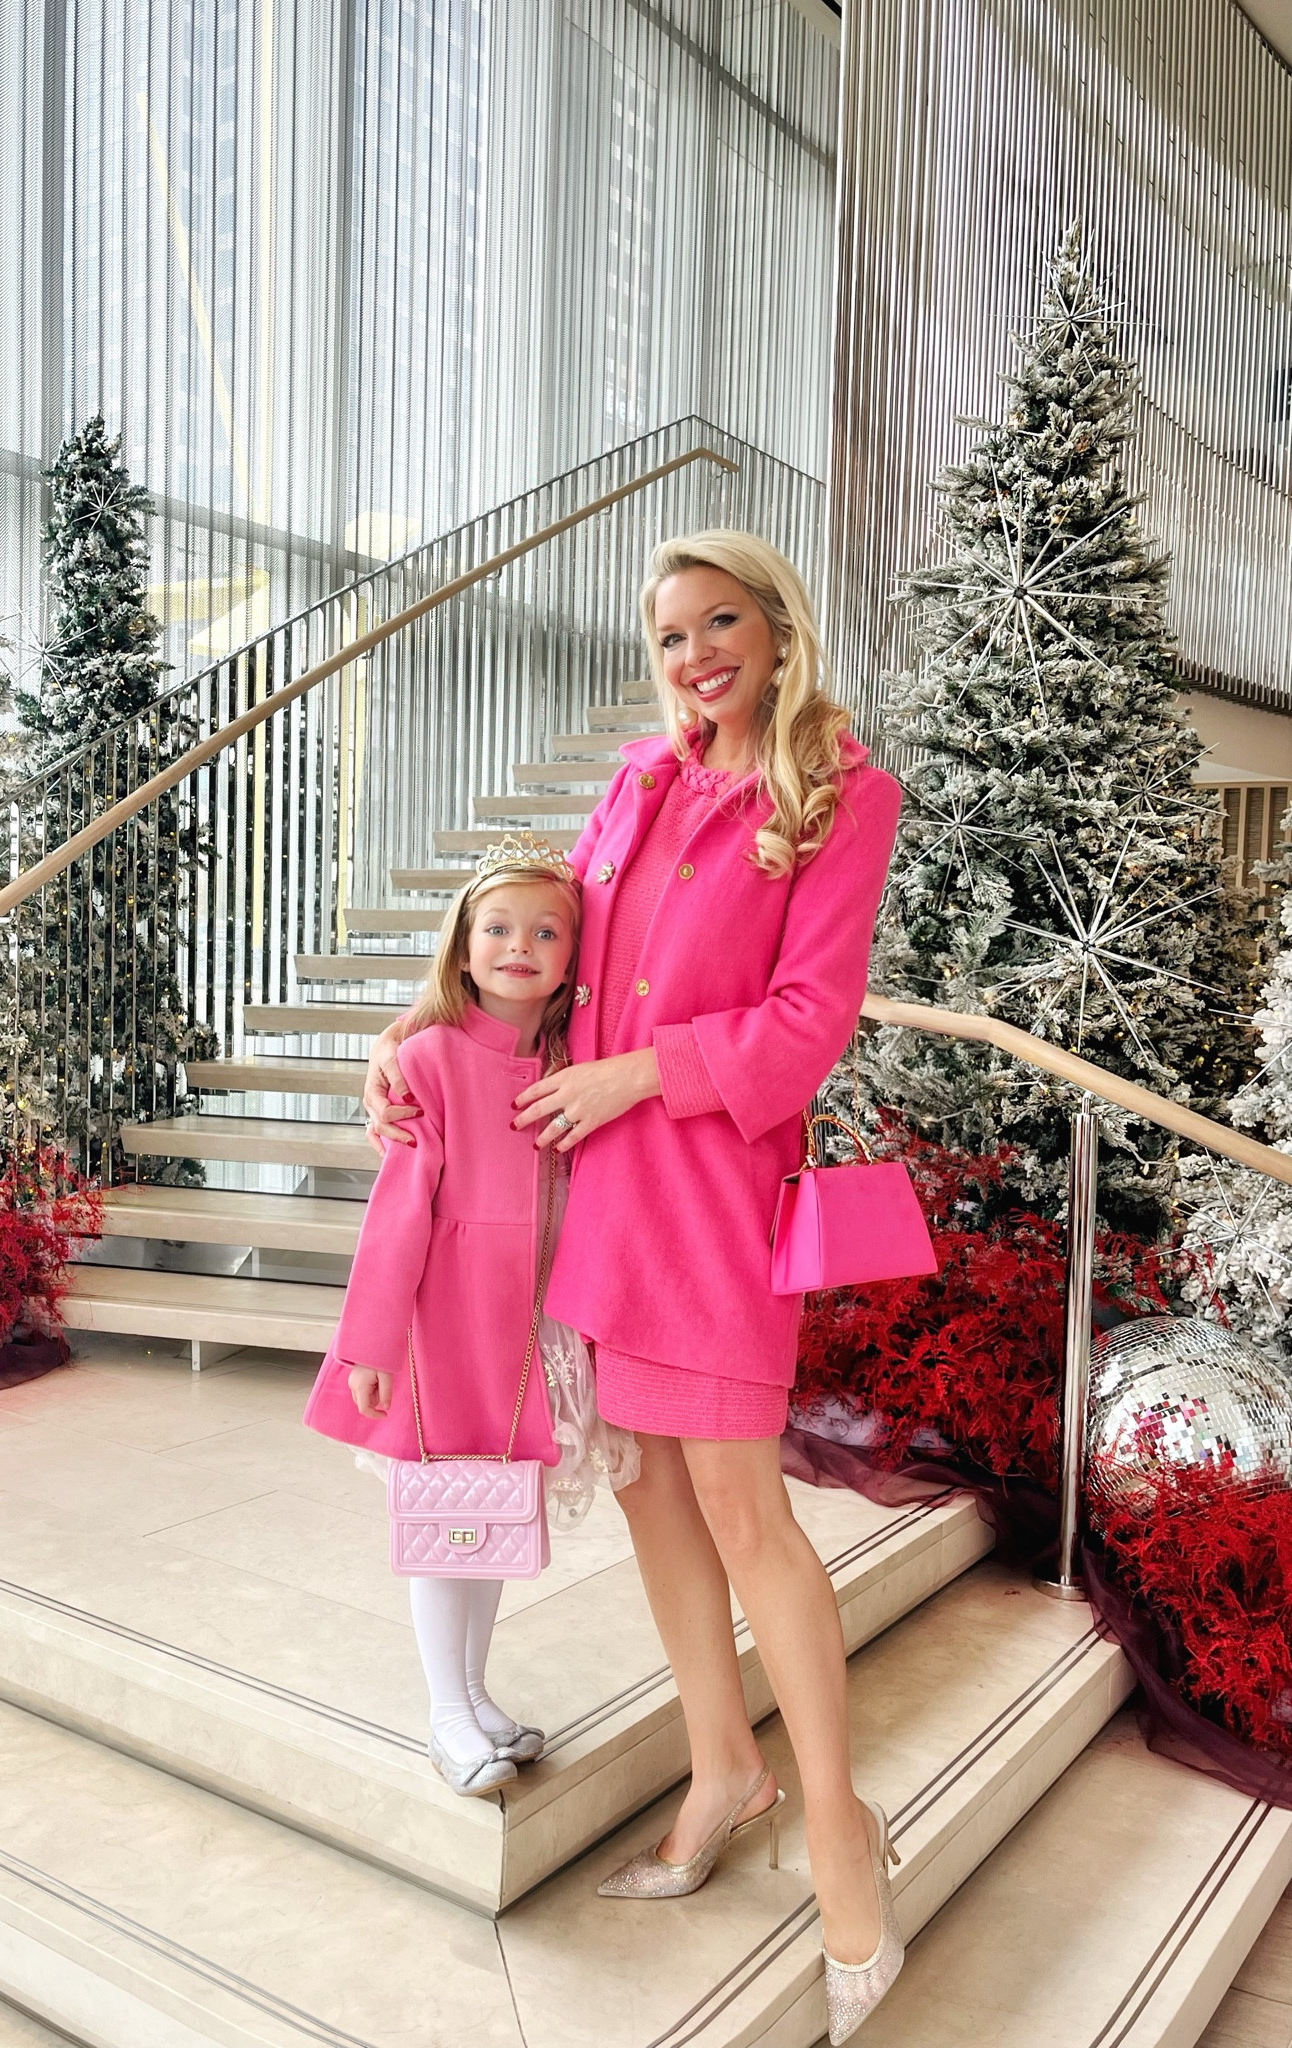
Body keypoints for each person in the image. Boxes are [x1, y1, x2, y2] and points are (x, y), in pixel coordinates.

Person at [362, 532, 904, 2043]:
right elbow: (535, 966)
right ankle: (726, 1768)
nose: (692, 654)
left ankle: (843, 1830)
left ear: (777, 627)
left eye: (717, 621)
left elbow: (807, 1025)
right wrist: (408, 1046)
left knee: (746, 1511)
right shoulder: (636, 785)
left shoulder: (842, 796)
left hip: (714, 1202)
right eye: (668, 634)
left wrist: (641, 1077)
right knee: (656, 1489)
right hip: (595, 1204)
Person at [304, 839, 634, 1798]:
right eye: (497, 928)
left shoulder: (574, 1060)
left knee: (490, 1509)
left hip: (528, 1326)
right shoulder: (428, 1058)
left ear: (575, 957)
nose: (519, 946)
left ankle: (476, 1693)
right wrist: (368, 1342)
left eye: (544, 931)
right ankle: (446, 1713)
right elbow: (400, 1210)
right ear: (461, 947)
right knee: (441, 1513)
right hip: (443, 1323)